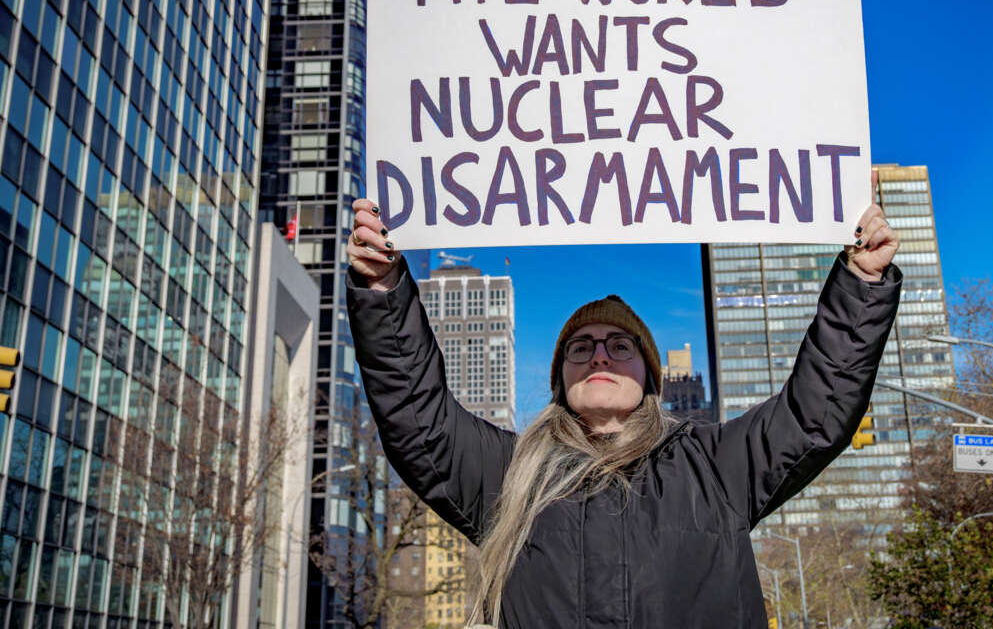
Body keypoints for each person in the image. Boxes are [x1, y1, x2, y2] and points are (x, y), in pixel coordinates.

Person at [346, 196, 901, 628]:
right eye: (580, 347)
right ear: (561, 379)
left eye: (620, 345)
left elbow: (814, 413)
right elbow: (416, 416)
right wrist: (382, 288)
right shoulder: (508, 473)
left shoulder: (718, 466)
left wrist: (861, 284)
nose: (600, 356)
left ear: (650, 376)